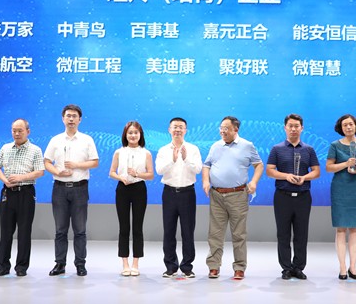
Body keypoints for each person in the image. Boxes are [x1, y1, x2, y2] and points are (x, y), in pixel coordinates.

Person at [202, 116, 263, 280]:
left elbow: (259, 165)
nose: (223, 131)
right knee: (215, 233)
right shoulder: (215, 146)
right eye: (221, 128)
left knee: (239, 234)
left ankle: (239, 267)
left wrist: (254, 182)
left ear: (236, 129)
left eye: (226, 128)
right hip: (216, 195)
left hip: (238, 195)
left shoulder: (247, 145)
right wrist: (206, 181)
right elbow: (206, 165)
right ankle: (213, 266)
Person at [44, 104, 99, 277]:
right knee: (60, 230)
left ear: (80, 119)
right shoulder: (55, 140)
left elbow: (95, 162)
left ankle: (80, 264)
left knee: (80, 230)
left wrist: (77, 165)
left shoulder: (87, 140)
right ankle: (59, 264)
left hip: (79, 188)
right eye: (68, 116)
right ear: (63, 119)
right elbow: (46, 162)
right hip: (59, 188)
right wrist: (57, 171)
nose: (71, 119)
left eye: (74, 116)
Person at [266, 113, 320, 280]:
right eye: (290, 126)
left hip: (303, 197)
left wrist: (304, 178)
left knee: (301, 233)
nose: (293, 129)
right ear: (285, 128)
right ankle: (286, 268)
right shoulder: (277, 149)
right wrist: (286, 176)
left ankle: (298, 267)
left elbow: (316, 171)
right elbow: (269, 171)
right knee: (283, 234)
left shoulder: (309, 149)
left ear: (302, 128)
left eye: (297, 126)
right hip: (282, 196)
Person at [0, 118, 45, 277]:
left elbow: (40, 171)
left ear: (28, 131)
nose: (16, 133)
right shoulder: (5, 148)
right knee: (5, 231)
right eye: (14, 130)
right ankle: (3, 266)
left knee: (24, 231)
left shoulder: (35, 150)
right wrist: (5, 180)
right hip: (8, 193)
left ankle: (21, 267)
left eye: (20, 130)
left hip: (26, 193)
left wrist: (21, 177)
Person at [325, 114, 356, 281]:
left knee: (354, 229)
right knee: (340, 229)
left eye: (350, 124)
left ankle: (353, 266)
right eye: (345, 125)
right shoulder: (334, 145)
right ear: (341, 128)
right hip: (340, 189)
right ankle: (342, 267)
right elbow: (329, 167)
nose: (348, 127)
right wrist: (345, 164)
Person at [155, 117, 202, 279]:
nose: (178, 130)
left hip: (188, 193)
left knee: (188, 231)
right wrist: (173, 160)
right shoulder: (163, 150)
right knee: (169, 231)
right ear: (169, 130)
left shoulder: (193, 149)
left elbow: (198, 169)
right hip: (169, 193)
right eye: (175, 127)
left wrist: (186, 158)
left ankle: (187, 267)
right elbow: (159, 170)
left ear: (185, 130)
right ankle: (170, 266)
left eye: (181, 127)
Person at [108, 120, 154, 276]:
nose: (133, 135)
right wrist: (121, 178)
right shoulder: (119, 152)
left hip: (139, 189)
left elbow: (150, 175)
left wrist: (137, 174)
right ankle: (125, 263)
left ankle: (135, 263)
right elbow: (111, 172)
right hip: (123, 189)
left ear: (140, 135)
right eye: (130, 133)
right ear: (125, 135)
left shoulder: (146, 153)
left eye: (136, 132)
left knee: (137, 227)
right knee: (124, 227)